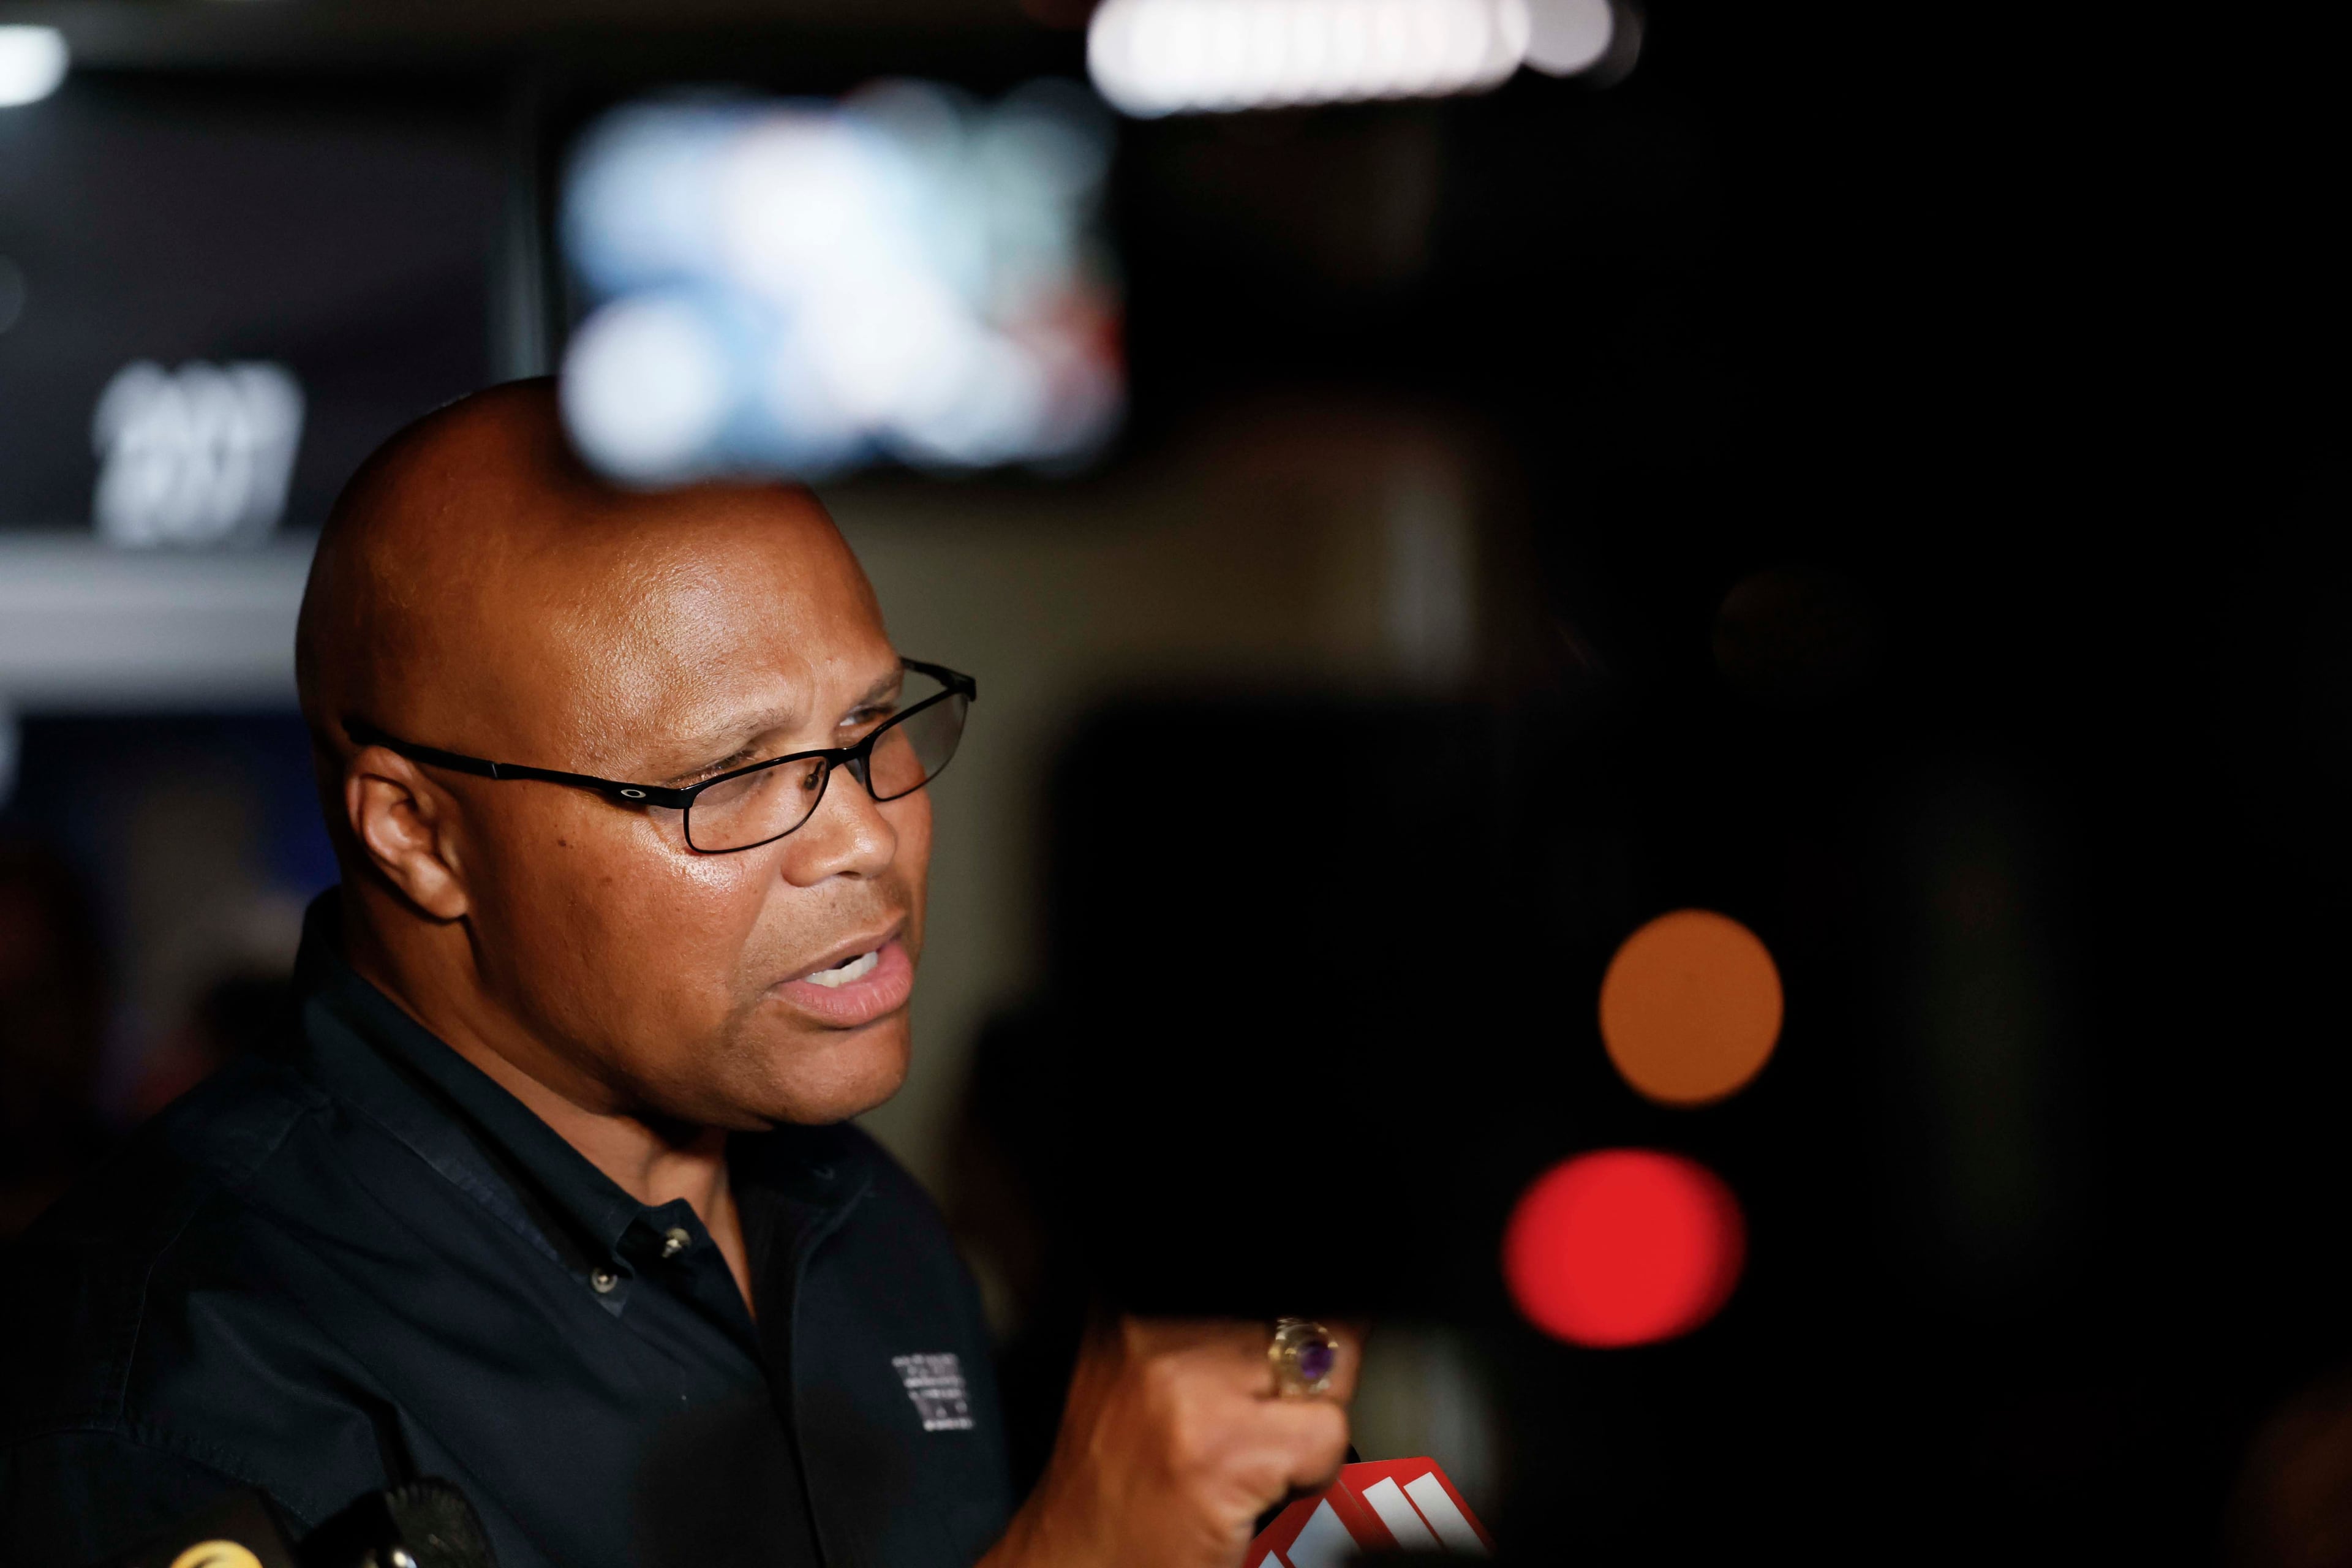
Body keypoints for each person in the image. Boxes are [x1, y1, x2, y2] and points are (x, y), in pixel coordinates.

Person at [0, 382, 1354, 1568]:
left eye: (872, 726)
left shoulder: (862, 1221)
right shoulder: (171, 1370)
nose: (866, 833)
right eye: (731, 777)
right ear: (418, 832)